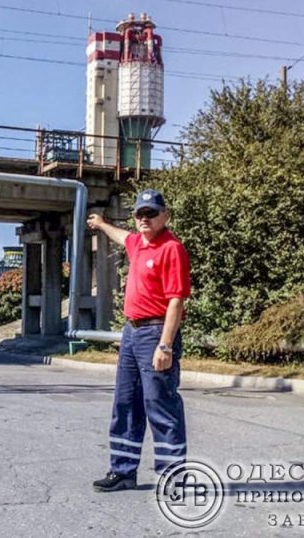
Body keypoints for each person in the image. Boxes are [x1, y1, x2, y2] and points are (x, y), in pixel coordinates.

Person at [86, 189, 191, 492]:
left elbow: (176, 301)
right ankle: (123, 471)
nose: (144, 218)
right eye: (140, 213)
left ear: (165, 215)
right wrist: (102, 223)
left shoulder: (171, 249)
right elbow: (123, 237)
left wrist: (166, 345)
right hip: (131, 332)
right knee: (126, 403)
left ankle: (172, 476)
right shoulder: (138, 244)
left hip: (156, 332)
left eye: (151, 213)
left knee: (160, 404)